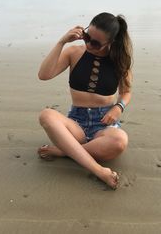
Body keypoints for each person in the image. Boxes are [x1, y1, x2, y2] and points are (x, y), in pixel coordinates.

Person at [37, 12, 133, 189]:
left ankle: (65, 151)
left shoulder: (119, 59)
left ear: (110, 42)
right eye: (87, 37)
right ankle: (98, 170)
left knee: (120, 141)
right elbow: (44, 75)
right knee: (46, 115)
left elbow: (126, 92)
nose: (88, 44)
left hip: (104, 124)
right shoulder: (74, 52)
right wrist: (61, 42)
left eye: (95, 43)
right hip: (77, 123)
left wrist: (118, 107)